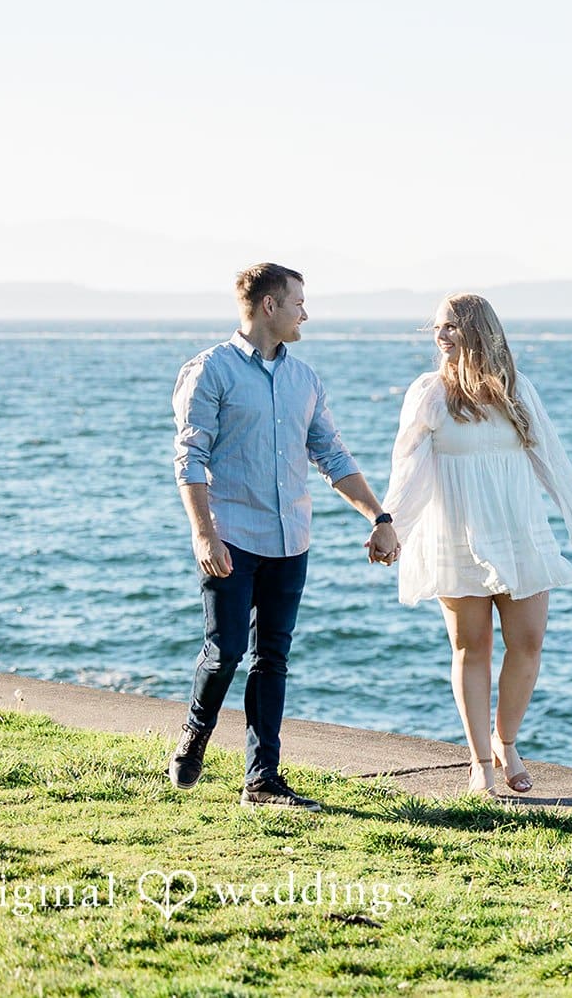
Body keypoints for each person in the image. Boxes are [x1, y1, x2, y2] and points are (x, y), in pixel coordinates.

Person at [169, 262, 398, 810]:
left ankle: (262, 779)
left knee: (272, 657)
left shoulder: (305, 380)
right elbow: (190, 459)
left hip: (290, 539)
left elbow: (332, 455)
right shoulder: (210, 372)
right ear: (269, 306)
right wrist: (205, 534)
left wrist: (379, 517)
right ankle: (195, 734)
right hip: (232, 538)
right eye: (299, 302)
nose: (305, 313)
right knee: (225, 653)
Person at [381, 293, 572, 795]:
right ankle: (481, 760)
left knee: (527, 644)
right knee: (470, 646)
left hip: (519, 529)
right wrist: (391, 525)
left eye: (453, 327)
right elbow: (409, 467)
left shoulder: (518, 389)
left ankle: (507, 740)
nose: (442, 336)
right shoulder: (428, 393)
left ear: (479, 331)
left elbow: (552, 459)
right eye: (438, 327)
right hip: (456, 532)